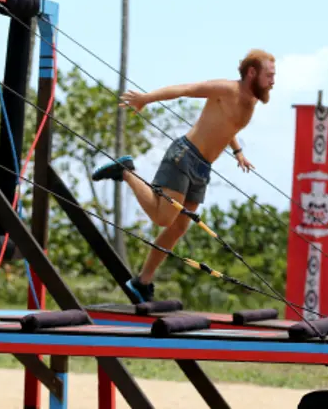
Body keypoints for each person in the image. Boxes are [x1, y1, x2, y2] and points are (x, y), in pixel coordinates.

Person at [91, 49, 276, 302]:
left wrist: (238, 151)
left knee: (178, 228)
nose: (273, 81)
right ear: (252, 72)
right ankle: (125, 173)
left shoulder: (251, 100)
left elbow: (228, 124)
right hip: (185, 156)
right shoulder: (226, 89)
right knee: (163, 218)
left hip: (203, 168)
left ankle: (142, 282)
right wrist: (146, 98)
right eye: (269, 75)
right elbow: (186, 89)